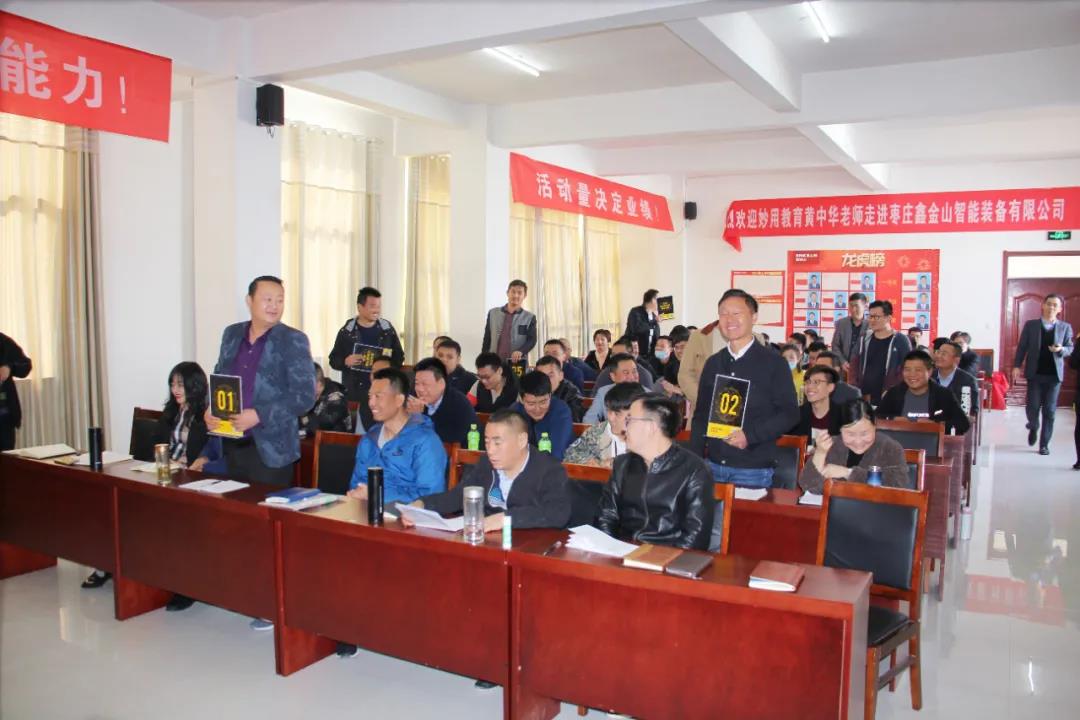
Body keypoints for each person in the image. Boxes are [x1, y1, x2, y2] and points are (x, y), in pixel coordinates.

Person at [83, 361, 226, 596]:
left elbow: (209, 453)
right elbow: (156, 445)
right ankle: (109, 565)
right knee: (117, 504)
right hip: (163, 473)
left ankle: (179, 583)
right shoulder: (171, 412)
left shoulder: (206, 416)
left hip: (188, 478)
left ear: (194, 385)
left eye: (180, 385)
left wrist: (191, 463)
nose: (175, 390)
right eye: (172, 384)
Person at [206, 276, 316, 488]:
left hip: (270, 451)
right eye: (268, 299)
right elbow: (219, 376)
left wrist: (258, 415)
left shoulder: (293, 339)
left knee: (263, 508)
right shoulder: (232, 334)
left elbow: (304, 397)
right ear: (249, 300)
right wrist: (210, 407)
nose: (274, 306)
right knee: (231, 507)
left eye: (280, 300)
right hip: (229, 443)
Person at [690, 289, 799, 489]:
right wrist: (696, 460)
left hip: (752, 469)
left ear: (754, 317)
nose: (729, 319)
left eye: (736, 313)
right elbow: (701, 415)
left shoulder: (774, 363)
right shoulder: (714, 363)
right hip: (712, 466)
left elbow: (789, 414)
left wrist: (750, 435)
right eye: (723, 313)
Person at [406, 408, 571, 530]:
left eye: (497, 443)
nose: (490, 450)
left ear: (521, 440)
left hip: (532, 548)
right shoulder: (487, 463)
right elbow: (460, 495)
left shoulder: (549, 469)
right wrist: (423, 504)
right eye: (487, 442)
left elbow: (557, 513)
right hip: (492, 541)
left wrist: (505, 519)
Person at [597, 394, 714, 550]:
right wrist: (608, 551)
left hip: (668, 557)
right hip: (623, 553)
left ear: (651, 427)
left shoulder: (694, 470)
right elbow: (606, 517)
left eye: (629, 420)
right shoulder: (623, 464)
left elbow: (695, 538)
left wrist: (657, 560)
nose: (624, 428)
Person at [348, 367, 447, 505]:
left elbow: (430, 495)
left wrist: (376, 494)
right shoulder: (368, 440)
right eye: (370, 396)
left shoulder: (425, 441)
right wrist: (358, 494)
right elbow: (356, 483)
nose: (371, 403)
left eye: (378, 396)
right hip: (366, 510)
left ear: (399, 400)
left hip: (408, 515)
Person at [328, 287, 405, 431]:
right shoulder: (347, 331)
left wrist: (388, 367)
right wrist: (346, 361)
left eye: (379, 306)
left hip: (383, 391)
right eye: (372, 306)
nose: (377, 310)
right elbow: (333, 360)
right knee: (360, 434)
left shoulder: (387, 329)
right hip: (356, 393)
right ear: (360, 307)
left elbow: (399, 356)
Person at [798, 400, 912, 494]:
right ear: (840, 430)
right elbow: (807, 485)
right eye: (850, 434)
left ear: (875, 425)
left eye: (864, 433)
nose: (858, 441)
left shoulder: (889, 448)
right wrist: (820, 453)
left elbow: (899, 485)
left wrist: (848, 473)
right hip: (837, 511)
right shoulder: (833, 445)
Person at [1013, 294, 1075, 454]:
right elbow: (1022, 347)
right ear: (1043, 305)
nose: (1051, 307)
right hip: (1035, 374)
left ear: (1060, 309)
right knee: (1032, 407)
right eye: (1049, 304)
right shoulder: (1031, 325)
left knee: (1050, 410)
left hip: (1054, 376)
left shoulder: (1065, 327)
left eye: (1055, 305)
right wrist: (1016, 366)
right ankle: (1033, 426)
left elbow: (1070, 348)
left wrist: (1061, 349)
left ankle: (1044, 444)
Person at [877, 350, 970, 435]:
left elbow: (963, 425)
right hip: (898, 444)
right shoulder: (894, 393)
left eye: (918, 370)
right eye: (907, 369)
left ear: (929, 372)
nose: (912, 374)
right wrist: (892, 420)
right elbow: (876, 418)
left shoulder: (943, 395)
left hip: (932, 445)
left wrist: (935, 425)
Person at [564, 382, 643, 466]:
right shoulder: (596, 432)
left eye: (617, 414)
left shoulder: (648, 436)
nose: (610, 418)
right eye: (608, 411)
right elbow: (569, 459)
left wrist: (614, 464)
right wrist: (590, 464)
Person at [407, 357, 478, 448]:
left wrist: (418, 417)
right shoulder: (413, 398)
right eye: (417, 383)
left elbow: (442, 441)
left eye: (425, 384)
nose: (419, 389)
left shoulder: (459, 404)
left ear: (441, 383)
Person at [851, 300, 912, 405]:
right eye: (870, 316)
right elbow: (854, 363)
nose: (872, 320)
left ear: (888, 318)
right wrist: (854, 386)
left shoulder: (901, 340)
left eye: (876, 317)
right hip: (864, 397)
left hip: (889, 397)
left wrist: (893, 390)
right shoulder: (864, 338)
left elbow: (907, 367)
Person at [511, 371, 573, 460]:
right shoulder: (514, 413)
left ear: (550, 396)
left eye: (543, 402)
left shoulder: (561, 411)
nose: (537, 409)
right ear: (521, 400)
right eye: (531, 404)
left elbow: (556, 454)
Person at [482, 279, 537, 364]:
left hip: (517, 363)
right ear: (507, 293)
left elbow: (532, 340)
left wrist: (521, 351)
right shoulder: (493, 313)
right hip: (494, 361)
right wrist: (483, 359)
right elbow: (487, 338)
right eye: (513, 292)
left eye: (519, 293)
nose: (515, 295)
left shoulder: (529, 317)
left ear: (525, 295)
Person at [584, 353, 642, 424]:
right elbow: (589, 419)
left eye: (634, 371)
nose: (632, 377)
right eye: (626, 372)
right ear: (613, 376)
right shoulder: (604, 392)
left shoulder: (647, 394)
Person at [791, 365, 844, 442]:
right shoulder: (796, 416)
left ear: (830, 387)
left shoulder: (844, 416)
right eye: (807, 382)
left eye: (816, 382)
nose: (810, 387)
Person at [0, 331, 32, 451]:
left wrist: (9, 367)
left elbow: (25, 365)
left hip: (4, 419)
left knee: (6, 459)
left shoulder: (3, 341)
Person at [301, 363, 351, 438]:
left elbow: (320, 426)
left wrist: (303, 419)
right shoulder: (312, 396)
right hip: (314, 440)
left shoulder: (336, 397)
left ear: (318, 384)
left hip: (335, 443)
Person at [932, 341, 979, 416]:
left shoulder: (968, 381)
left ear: (956, 359)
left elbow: (973, 410)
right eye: (938, 352)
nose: (938, 356)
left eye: (944, 354)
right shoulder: (928, 377)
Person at [535, 355, 584, 423]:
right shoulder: (532, 390)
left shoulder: (572, 394)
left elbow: (572, 422)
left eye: (550, 376)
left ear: (561, 376)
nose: (545, 380)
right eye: (541, 376)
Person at [831, 292, 869, 367]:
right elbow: (835, 346)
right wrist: (843, 362)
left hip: (863, 368)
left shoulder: (871, 325)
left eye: (856, 306)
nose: (853, 309)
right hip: (843, 367)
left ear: (865, 306)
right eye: (851, 306)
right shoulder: (841, 323)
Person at [625, 289, 662, 358]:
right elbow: (636, 329)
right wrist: (654, 322)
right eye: (658, 299)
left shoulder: (654, 316)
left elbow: (656, 335)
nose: (660, 302)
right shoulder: (635, 312)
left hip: (650, 355)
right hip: (635, 353)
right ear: (652, 300)